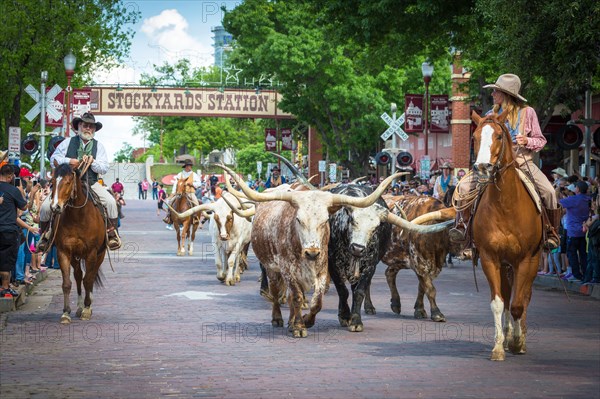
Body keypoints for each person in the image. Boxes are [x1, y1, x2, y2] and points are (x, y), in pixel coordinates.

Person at [449, 74, 562, 249]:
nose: (493, 94)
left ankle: (551, 232)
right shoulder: (490, 115)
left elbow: (541, 140)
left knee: (549, 192)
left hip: (522, 162)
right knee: (463, 188)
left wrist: (526, 141)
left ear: (506, 94)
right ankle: (464, 230)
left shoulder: (528, 112)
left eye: (496, 91)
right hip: (491, 165)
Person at [37, 112, 122, 251]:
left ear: (94, 129)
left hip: (91, 183)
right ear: (79, 126)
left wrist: (92, 161)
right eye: (85, 125)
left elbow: (105, 167)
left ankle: (112, 234)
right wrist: (70, 161)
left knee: (111, 202)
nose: (88, 128)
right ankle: (45, 236)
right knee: (46, 207)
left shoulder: (98, 146)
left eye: (91, 126)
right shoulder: (67, 142)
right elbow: (53, 160)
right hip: (67, 183)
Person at [0, 164, 28, 297]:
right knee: (7, 260)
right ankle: (5, 287)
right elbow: (24, 207)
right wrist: (24, 192)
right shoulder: (13, 190)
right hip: (8, 229)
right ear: (10, 176)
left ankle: (5, 286)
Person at [559, 181, 591, 281]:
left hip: (573, 231)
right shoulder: (588, 199)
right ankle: (586, 274)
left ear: (577, 189)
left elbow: (558, 203)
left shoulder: (573, 199)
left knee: (571, 254)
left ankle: (576, 274)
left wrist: (557, 192)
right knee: (583, 254)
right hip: (584, 231)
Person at [163, 159, 202, 225]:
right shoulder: (180, 174)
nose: (190, 167)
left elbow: (199, 183)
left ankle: (195, 217)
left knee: (196, 203)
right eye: (189, 165)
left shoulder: (194, 174)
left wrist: (192, 184)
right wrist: (173, 193)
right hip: (179, 193)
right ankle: (168, 216)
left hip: (190, 193)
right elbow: (176, 184)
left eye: (190, 166)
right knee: (170, 202)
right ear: (186, 166)